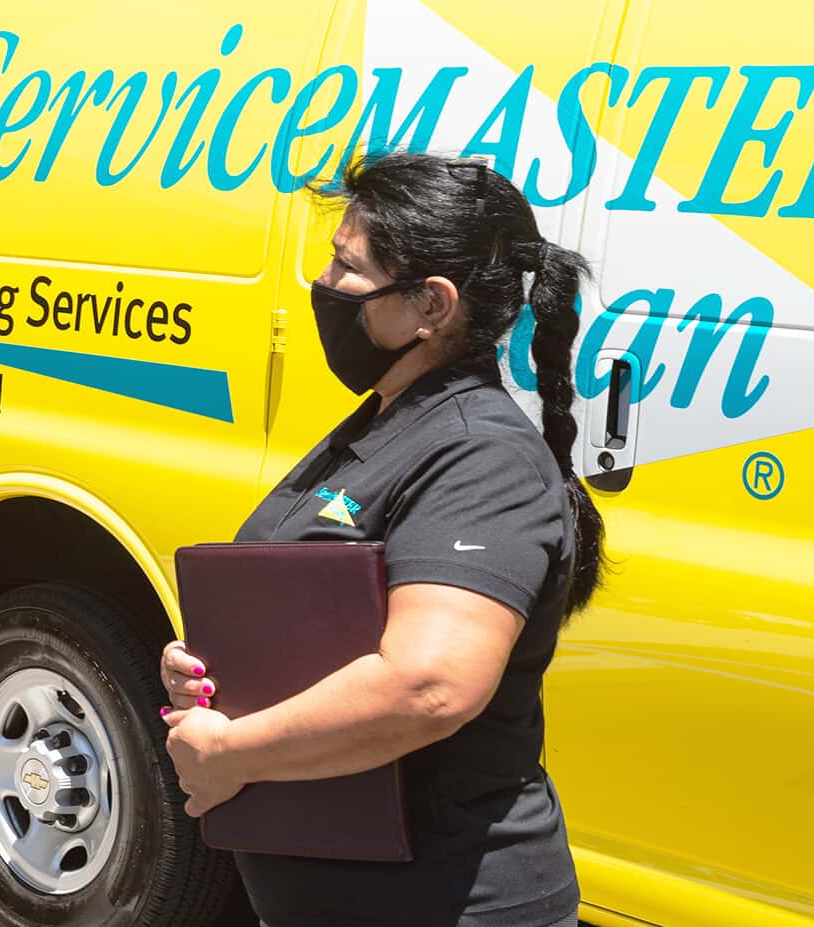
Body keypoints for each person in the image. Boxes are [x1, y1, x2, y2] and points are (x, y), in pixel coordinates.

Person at [158, 152, 607, 927]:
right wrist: (214, 671)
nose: (324, 284)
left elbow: (428, 684)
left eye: (347, 264)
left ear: (432, 304)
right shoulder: (389, 419)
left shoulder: (482, 455)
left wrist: (228, 754)